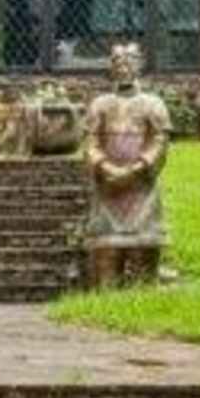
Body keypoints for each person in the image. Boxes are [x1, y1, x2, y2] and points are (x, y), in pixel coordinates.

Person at [77, 39, 171, 289]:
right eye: (117, 61)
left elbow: (160, 141)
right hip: (107, 189)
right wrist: (104, 167)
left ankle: (142, 303)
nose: (123, 67)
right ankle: (104, 303)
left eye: (129, 61)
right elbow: (91, 141)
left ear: (139, 64)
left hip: (141, 190)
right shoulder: (100, 105)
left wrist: (137, 169)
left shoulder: (153, 104)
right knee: (107, 257)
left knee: (144, 255)